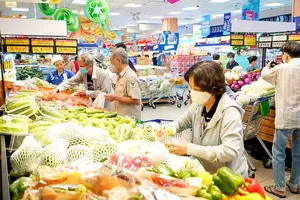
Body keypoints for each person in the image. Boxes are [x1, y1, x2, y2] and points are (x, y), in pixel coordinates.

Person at [166, 61, 248, 177]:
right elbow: (182, 121)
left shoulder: (230, 112)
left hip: (228, 177)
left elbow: (230, 151)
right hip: (206, 173)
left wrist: (189, 149)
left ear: (212, 88)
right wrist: (169, 128)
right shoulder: (199, 104)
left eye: (197, 89)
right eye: (191, 88)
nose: (192, 93)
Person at [262, 41, 300, 198]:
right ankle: (294, 184)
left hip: (286, 117)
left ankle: (279, 188)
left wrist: (268, 65)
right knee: (298, 153)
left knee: (278, 153)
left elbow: (264, 76)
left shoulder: (281, 68)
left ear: (286, 55)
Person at [105, 48, 141, 119]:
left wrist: (115, 97)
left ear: (119, 61)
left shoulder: (130, 77)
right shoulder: (118, 75)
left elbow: (136, 100)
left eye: (112, 63)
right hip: (121, 116)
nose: (111, 66)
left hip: (130, 119)